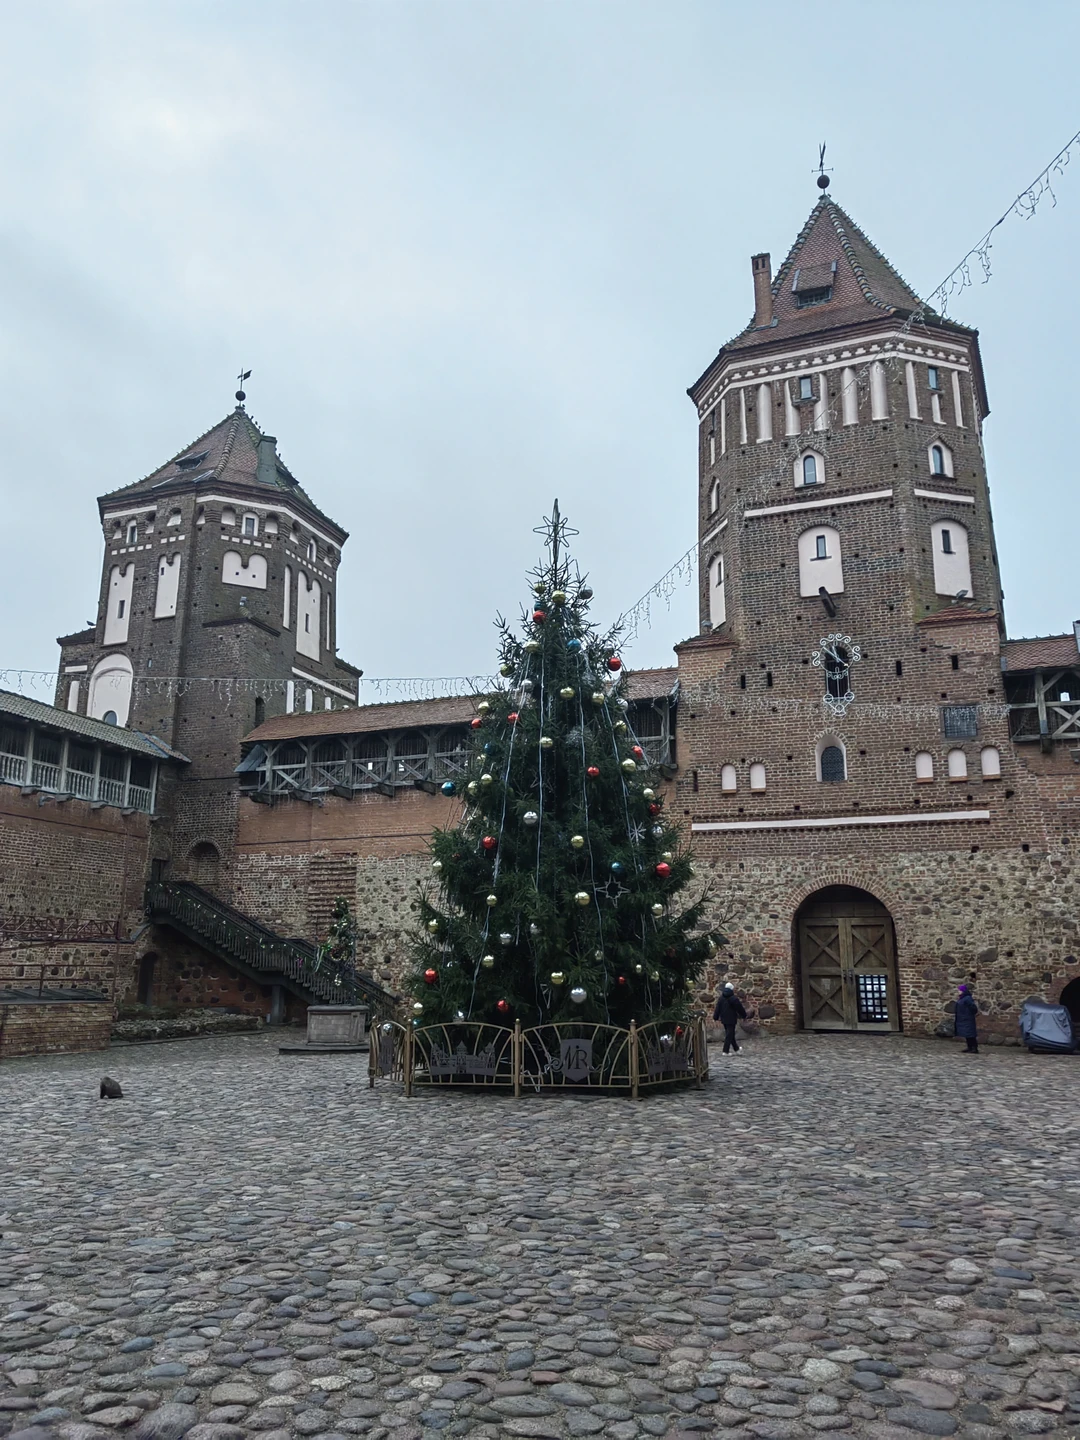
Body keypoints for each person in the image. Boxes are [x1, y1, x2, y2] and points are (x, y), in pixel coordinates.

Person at [713, 981, 747, 1055]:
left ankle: (737, 1049)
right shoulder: (734, 999)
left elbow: (718, 1008)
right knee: (729, 1035)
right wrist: (744, 1015)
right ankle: (725, 1051)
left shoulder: (721, 998)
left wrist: (715, 1017)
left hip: (724, 1018)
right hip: (731, 1019)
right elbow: (739, 1008)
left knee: (730, 1034)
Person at [955, 984, 979, 1053]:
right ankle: (969, 1047)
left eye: (959, 990)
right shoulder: (962, 998)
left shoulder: (967, 998)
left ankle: (974, 1048)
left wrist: (970, 1014)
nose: (958, 992)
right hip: (963, 1017)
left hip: (967, 1017)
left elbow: (973, 1007)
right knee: (967, 1034)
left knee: (970, 1034)